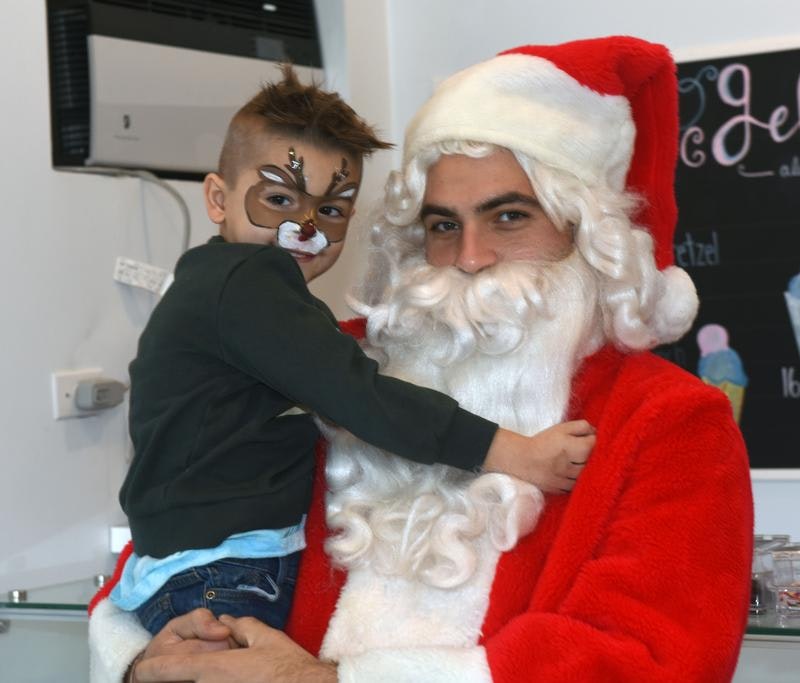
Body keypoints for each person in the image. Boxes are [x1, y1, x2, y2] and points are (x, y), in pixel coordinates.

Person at [89, 37, 754, 683]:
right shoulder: (335, 360)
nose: (469, 257)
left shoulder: (669, 423)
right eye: (442, 226)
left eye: (509, 217)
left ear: (590, 235)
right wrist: (142, 662)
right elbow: (171, 536)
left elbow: (649, 661)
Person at [101, 66, 596, 644]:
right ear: (218, 198)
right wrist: (514, 452)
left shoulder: (220, 286)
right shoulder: (249, 282)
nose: (304, 228)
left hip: (189, 565)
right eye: (280, 198)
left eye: (331, 211)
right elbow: (359, 396)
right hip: (224, 570)